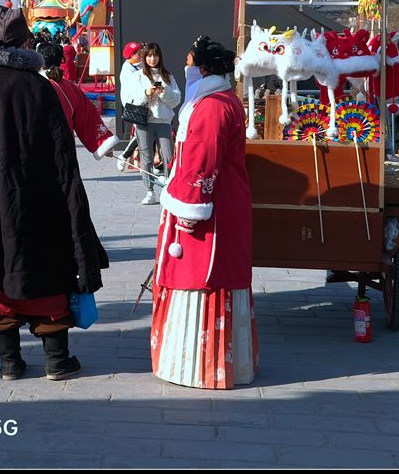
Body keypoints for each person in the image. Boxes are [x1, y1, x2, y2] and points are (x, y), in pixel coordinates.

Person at [0, 6, 108, 382]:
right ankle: (56, 360)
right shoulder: (40, 88)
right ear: (27, 43)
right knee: (45, 267)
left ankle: (10, 361)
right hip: (34, 200)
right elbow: (61, 157)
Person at [151, 35, 257, 390]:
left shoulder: (210, 107)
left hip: (209, 208)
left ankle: (198, 365)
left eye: (190, 61)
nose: (186, 67)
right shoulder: (222, 99)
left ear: (204, 68)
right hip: (221, 200)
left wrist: (187, 209)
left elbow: (199, 163)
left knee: (203, 277)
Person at [120, 42, 181, 205]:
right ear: (144, 57)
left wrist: (163, 93)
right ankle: (149, 191)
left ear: (160, 57)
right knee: (146, 157)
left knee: (168, 156)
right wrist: (146, 93)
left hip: (163, 121)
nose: (152, 59)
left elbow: (176, 100)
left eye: (155, 55)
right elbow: (130, 100)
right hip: (144, 122)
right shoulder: (138, 76)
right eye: (149, 55)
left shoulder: (167, 76)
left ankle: (168, 189)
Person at [38, 42, 118, 159]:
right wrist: (103, 144)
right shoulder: (70, 88)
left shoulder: (32, 85)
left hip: (39, 147)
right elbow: (87, 116)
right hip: (65, 147)